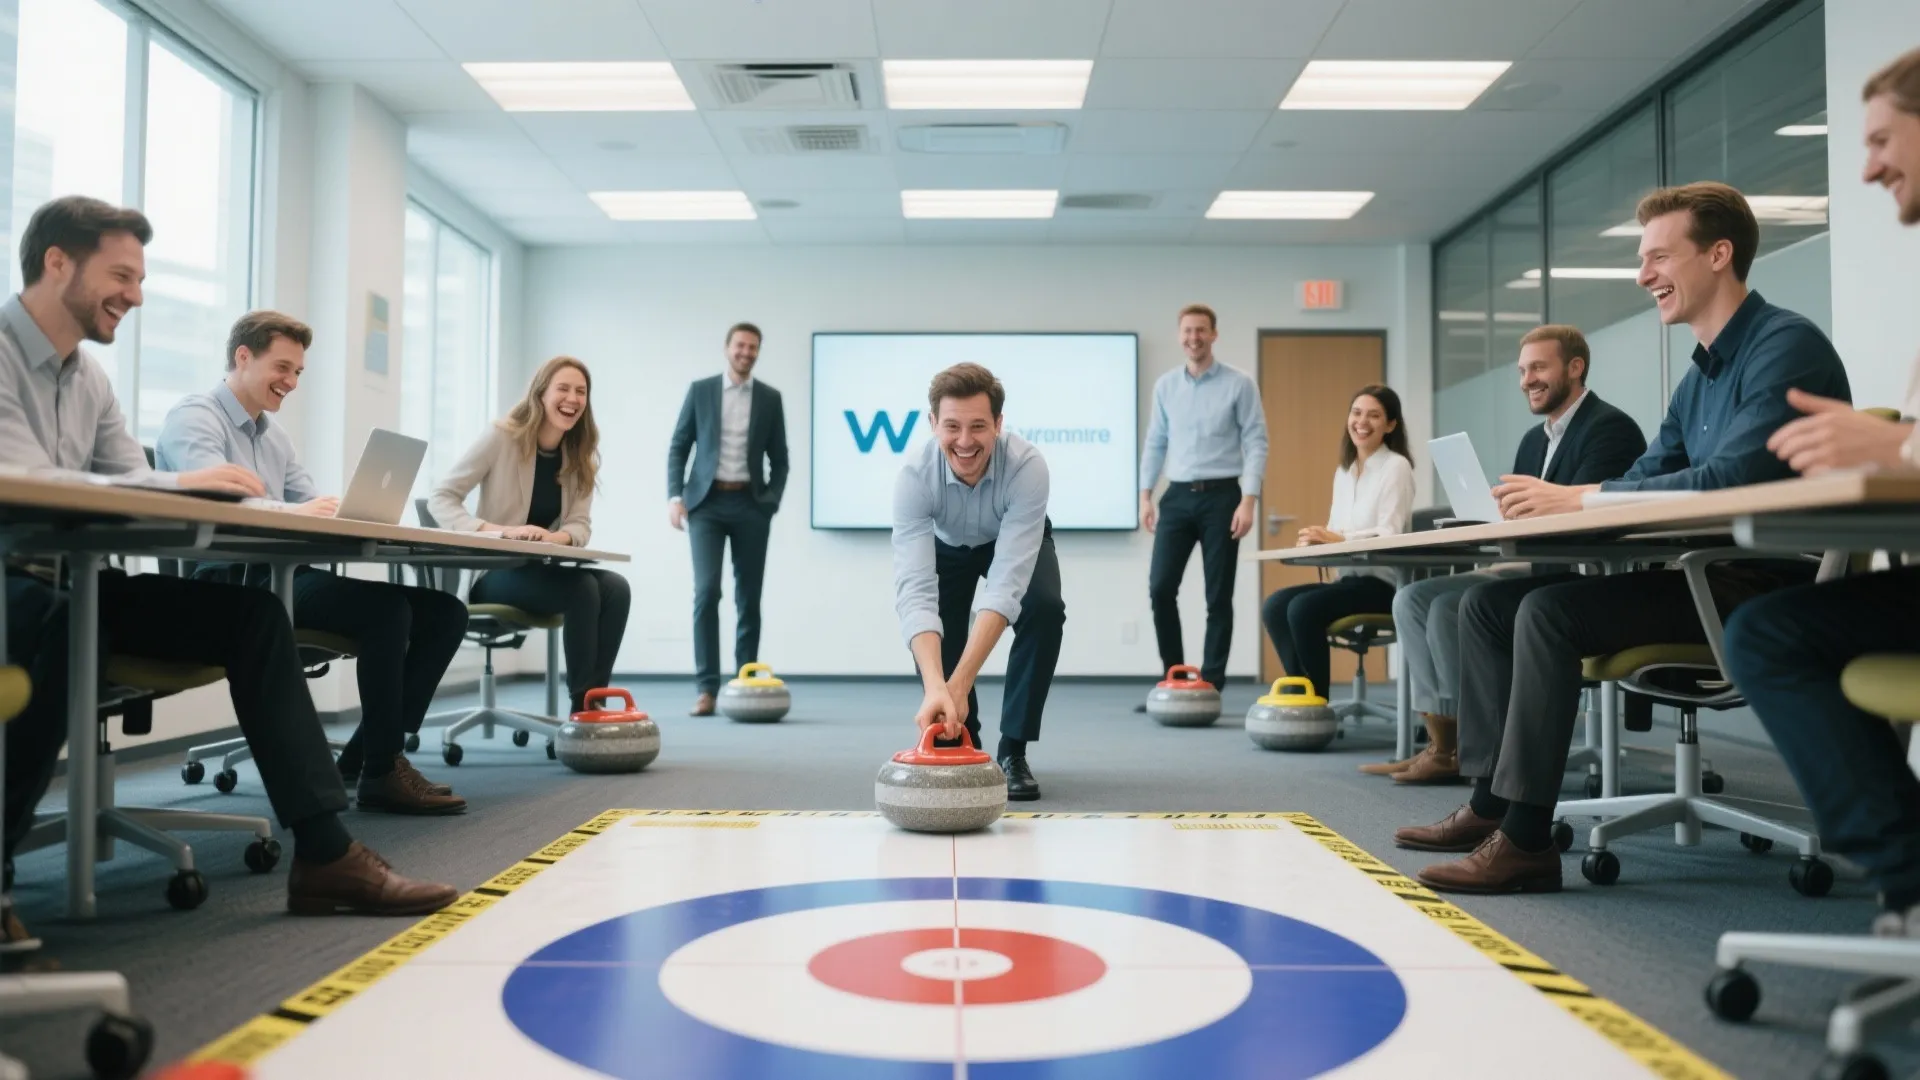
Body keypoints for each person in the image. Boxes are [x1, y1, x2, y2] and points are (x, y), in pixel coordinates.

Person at [0, 196, 455, 929]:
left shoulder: (88, 380)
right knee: (55, 623)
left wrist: (177, 486)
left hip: (79, 577)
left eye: (141, 278)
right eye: (122, 274)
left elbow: (129, 476)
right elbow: (23, 478)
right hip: (14, 580)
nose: (138, 295)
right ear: (58, 263)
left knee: (255, 617)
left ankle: (326, 854)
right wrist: (181, 482)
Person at [1395, 181, 1852, 894]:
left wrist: (1573, 495)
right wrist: (1552, 506)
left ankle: (1525, 842)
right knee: (1488, 606)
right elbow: (1651, 472)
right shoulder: (1698, 377)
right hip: (1701, 574)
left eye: (1659, 258)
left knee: (1549, 612)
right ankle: (1492, 803)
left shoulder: (1783, 346)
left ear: (1719, 255)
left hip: (1762, 585)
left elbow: (1730, 479)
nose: (1644, 277)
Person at [1721, 46, 1920, 937]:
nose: (1870, 165)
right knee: (1772, 632)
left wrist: (1900, 442)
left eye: (1882, 138)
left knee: (1770, 632)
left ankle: (1909, 878)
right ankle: (1908, 876)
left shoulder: (1779, 342)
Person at [157, 310, 467, 815]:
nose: (292, 382)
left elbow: (313, 507)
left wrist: (357, 513)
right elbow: (214, 497)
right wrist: (297, 511)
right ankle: (384, 771)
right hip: (227, 580)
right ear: (242, 356)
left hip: (283, 573)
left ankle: (367, 753)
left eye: (299, 372)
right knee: (387, 612)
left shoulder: (273, 436)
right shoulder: (195, 417)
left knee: (445, 612)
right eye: (283, 367)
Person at [1374, 327, 1645, 785]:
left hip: (1582, 577)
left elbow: (1589, 521)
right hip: (1534, 568)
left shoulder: (1609, 429)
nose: (1526, 380)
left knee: (1447, 607)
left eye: (1538, 367)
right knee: (1416, 598)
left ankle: (1484, 756)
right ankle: (1448, 742)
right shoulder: (1533, 440)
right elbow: (1524, 514)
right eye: (1522, 370)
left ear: (1575, 368)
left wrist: (1531, 511)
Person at [894, 363, 1064, 801]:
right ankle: (960, 736)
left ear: (999, 425)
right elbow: (916, 594)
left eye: (978, 427)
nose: (965, 441)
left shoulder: (1028, 467)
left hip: (1008, 537)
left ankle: (1013, 751)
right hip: (946, 543)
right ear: (933, 424)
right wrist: (939, 687)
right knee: (941, 645)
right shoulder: (914, 477)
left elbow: (1005, 587)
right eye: (952, 426)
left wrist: (961, 683)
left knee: (1042, 608)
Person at [429, 355, 630, 716]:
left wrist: (551, 539)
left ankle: (593, 699)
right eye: (563, 389)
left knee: (616, 588)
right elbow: (442, 498)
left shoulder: (580, 455)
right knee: (583, 589)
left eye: (581, 392)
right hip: (493, 573)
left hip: (540, 567)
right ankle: (582, 710)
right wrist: (502, 532)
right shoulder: (502, 436)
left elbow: (580, 526)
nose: (572, 398)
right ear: (541, 394)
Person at [1138, 303, 1268, 703]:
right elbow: (1156, 442)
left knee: (1218, 595)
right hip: (1176, 495)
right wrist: (1145, 495)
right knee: (1160, 588)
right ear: (1180, 336)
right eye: (1187, 331)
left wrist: (1249, 500)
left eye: (1201, 330)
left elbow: (1256, 441)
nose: (1193, 337)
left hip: (1224, 496)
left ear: (1213, 335)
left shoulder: (1239, 383)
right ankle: (1174, 678)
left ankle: (1211, 684)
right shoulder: (1166, 386)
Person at [1260, 386, 1414, 704]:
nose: (1362, 422)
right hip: (1347, 582)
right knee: (1275, 606)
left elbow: (1391, 533)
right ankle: (1300, 694)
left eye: (1374, 415)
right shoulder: (1343, 473)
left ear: (1390, 425)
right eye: (1356, 413)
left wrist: (1339, 539)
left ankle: (1317, 705)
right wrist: (1315, 540)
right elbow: (1335, 530)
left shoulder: (1396, 467)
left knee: (1304, 609)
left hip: (1382, 585)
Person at [667, 322, 790, 717]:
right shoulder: (701, 391)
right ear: (727, 348)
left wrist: (769, 502)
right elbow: (679, 445)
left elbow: (781, 459)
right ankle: (707, 689)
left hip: (750, 506)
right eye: (740, 345)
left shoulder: (770, 399)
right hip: (706, 504)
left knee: (748, 597)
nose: (746, 352)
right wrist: (675, 496)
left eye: (753, 347)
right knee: (706, 593)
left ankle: (744, 683)